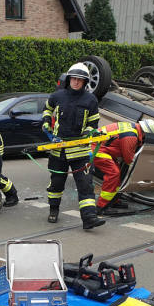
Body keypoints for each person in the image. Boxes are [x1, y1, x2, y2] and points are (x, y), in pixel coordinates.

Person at [41, 63, 106, 230]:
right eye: (74, 79)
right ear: (69, 79)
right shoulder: (57, 96)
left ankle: (89, 218)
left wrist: (88, 132)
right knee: (56, 184)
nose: (76, 82)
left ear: (85, 82)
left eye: (80, 80)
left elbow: (93, 122)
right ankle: (53, 210)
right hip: (58, 149)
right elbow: (47, 109)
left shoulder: (90, 100)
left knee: (85, 185)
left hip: (80, 150)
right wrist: (46, 122)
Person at [92, 120, 154, 214]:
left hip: (100, 147)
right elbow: (128, 159)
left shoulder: (132, 128)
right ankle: (101, 206)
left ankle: (113, 200)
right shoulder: (131, 136)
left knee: (117, 173)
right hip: (97, 149)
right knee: (114, 173)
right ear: (146, 132)